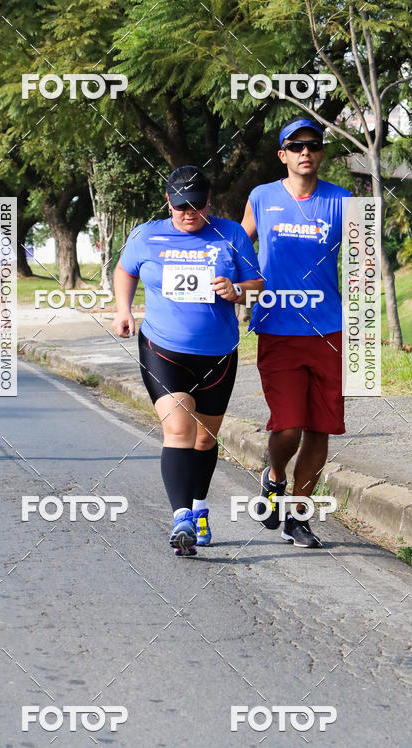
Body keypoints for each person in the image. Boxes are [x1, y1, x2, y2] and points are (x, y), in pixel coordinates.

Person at [112, 166, 262, 556]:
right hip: (163, 348)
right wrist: (123, 309)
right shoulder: (146, 235)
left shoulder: (231, 235)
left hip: (218, 354)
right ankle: (181, 519)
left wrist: (236, 290)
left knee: (205, 438)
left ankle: (198, 507)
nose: (188, 214)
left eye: (196, 206)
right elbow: (124, 271)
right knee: (179, 431)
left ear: (209, 201)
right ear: (168, 201)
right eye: (180, 207)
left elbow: (258, 287)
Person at [241, 116, 351, 548]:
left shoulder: (343, 201)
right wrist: (234, 290)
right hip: (278, 327)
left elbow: (364, 263)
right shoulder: (262, 196)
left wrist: (364, 327)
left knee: (320, 428)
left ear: (321, 153)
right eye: (296, 146)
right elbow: (238, 246)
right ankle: (274, 477)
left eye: (313, 145)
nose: (306, 152)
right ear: (282, 155)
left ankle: (298, 517)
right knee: (288, 426)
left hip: (329, 330)